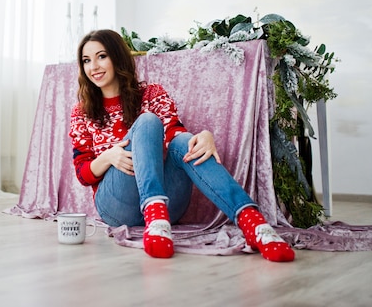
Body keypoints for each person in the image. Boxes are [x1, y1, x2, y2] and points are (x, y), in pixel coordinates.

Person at [69, 29, 294, 262]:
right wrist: (108, 157)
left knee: (181, 140)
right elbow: (83, 174)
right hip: (117, 205)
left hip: (169, 209)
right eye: (86, 60)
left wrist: (205, 136)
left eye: (101, 56)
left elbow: (175, 135)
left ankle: (253, 223)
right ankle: (154, 213)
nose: (93, 66)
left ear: (117, 57)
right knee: (147, 121)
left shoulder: (151, 94)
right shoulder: (82, 112)